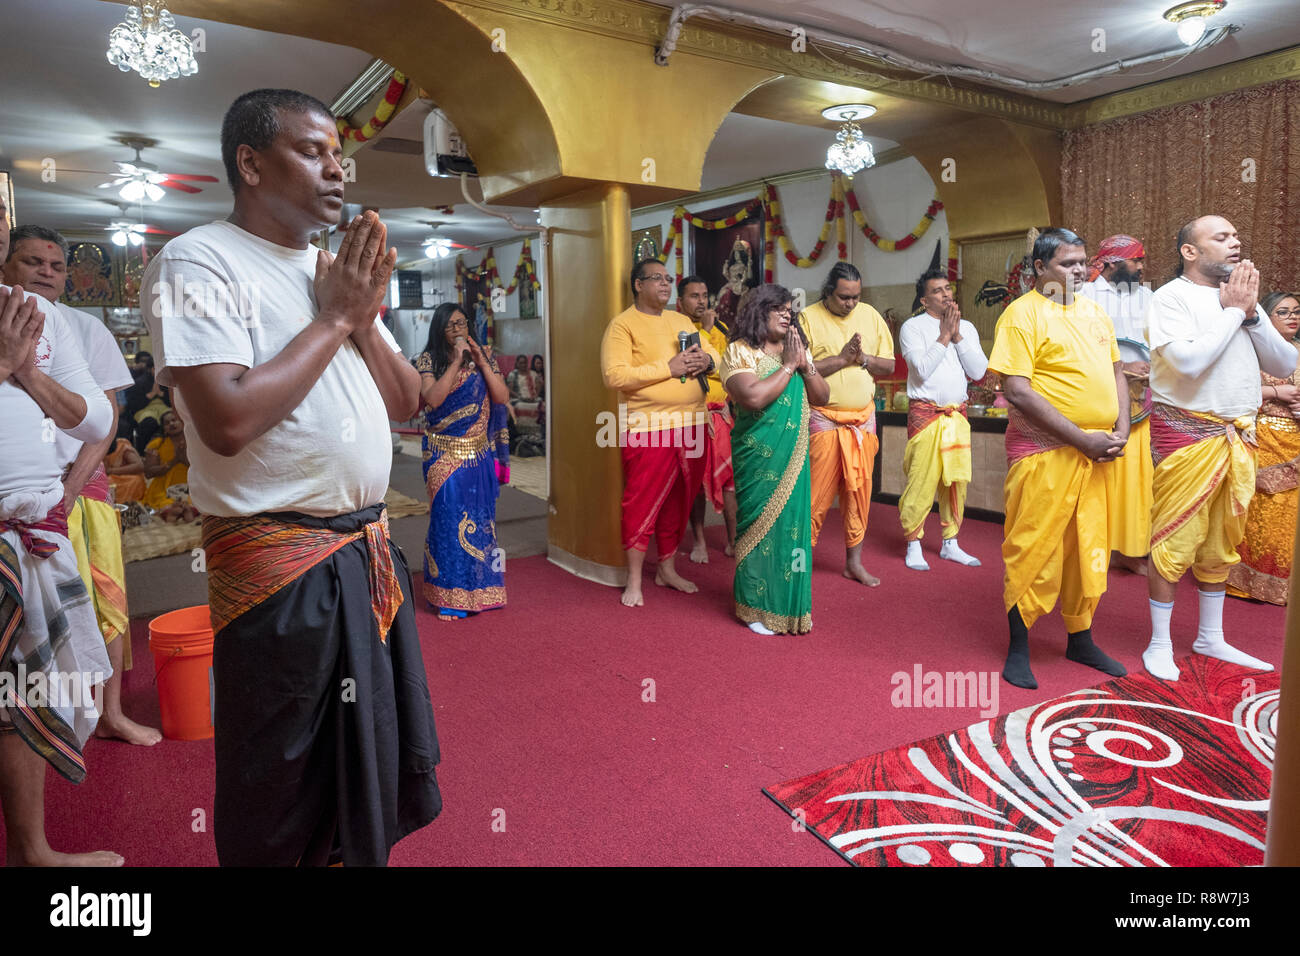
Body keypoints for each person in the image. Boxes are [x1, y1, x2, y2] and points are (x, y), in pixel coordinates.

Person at [141, 88, 441, 866]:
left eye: (340, 153)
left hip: (364, 551)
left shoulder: (330, 269)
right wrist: (335, 319)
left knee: (359, 765)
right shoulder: (198, 259)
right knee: (280, 784)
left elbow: (409, 402)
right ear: (250, 162)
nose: (336, 169)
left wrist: (361, 311)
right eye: (313, 151)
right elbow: (228, 422)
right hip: (281, 567)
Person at [4, 223, 159, 745]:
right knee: (26, 610)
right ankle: (48, 717)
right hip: (17, 495)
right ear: (8, 264)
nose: (46, 273)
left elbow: (106, 418)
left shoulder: (85, 329)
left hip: (80, 482)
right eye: (32, 262)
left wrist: (71, 488)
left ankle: (109, 713)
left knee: (106, 595)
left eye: (56, 265)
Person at [1142, 217, 1299, 681]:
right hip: (1187, 434)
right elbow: (1188, 363)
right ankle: (1159, 643)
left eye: (1236, 235)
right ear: (1190, 252)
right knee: (1174, 540)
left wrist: (1250, 314)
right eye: (1222, 237)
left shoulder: (1243, 302)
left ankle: (1210, 636)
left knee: (1222, 540)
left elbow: (1286, 362)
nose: (1236, 243)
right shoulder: (1169, 297)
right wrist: (1234, 312)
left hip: (1239, 436)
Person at [0, 277, 120, 866]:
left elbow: (97, 422)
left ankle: (30, 853)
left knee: (17, 696)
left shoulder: (34, 312)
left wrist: (26, 373)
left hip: (28, 541)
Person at [988, 228, 1130, 690]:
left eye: (1084, 262)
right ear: (1039, 269)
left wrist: (1121, 428)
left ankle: (1080, 638)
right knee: (1033, 547)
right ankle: (1019, 645)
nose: (1081, 271)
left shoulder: (1094, 313)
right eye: (1069, 263)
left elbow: (1117, 372)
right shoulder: (1021, 315)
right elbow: (1017, 390)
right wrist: (1080, 439)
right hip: (1043, 453)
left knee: (1087, 548)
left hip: (1096, 455)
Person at [600, 258, 719, 607]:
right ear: (639, 285)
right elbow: (615, 376)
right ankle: (634, 579)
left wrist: (706, 363)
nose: (666, 285)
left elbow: (712, 357)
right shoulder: (622, 326)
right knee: (640, 501)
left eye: (669, 279)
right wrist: (667, 368)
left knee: (681, 501)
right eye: (657, 279)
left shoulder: (682, 320)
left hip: (694, 424)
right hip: (649, 427)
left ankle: (667, 568)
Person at [721, 284, 828, 634]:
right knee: (758, 528)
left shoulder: (795, 350)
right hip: (759, 456)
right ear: (757, 311)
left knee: (792, 527)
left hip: (794, 456)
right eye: (777, 308)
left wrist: (804, 365)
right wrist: (789, 367)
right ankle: (752, 608)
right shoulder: (739, 352)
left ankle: (790, 608)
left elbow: (823, 396)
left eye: (789, 309)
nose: (787, 313)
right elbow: (752, 397)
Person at [797, 261, 894, 587]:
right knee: (815, 497)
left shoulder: (870, 315)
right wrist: (840, 358)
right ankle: (800, 564)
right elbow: (800, 368)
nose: (851, 303)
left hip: (863, 419)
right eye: (843, 297)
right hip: (823, 418)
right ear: (828, 292)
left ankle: (854, 563)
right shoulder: (807, 318)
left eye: (855, 297)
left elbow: (889, 365)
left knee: (859, 494)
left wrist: (863, 359)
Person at [414, 302, 510, 620]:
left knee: (481, 522)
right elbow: (433, 398)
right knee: (448, 520)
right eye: (451, 325)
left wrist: (482, 363)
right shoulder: (429, 359)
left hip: (478, 456)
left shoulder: (483, 355)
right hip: (444, 456)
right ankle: (449, 594)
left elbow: (502, 397)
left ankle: (481, 590)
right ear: (440, 330)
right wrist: (456, 362)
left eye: (462, 323)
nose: (458, 330)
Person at [897, 270, 988, 570]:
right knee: (921, 481)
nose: (946, 294)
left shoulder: (969, 328)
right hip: (926, 415)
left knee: (956, 482)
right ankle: (913, 542)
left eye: (948, 288)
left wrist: (958, 334)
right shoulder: (912, 327)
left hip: (957, 416)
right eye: (937, 291)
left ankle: (951, 543)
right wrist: (945, 334)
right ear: (924, 300)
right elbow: (921, 370)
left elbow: (978, 371)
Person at [1078, 234, 1155, 575]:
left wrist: (1154, 367)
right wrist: (1123, 368)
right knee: (1101, 473)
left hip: (1143, 402)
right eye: (1135, 260)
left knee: (1137, 475)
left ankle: (1129, 547)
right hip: (1098, 399)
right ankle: (1095, 544)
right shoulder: (1084, 295)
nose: (1141, 266)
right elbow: (1078, 351)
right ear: (1111, 263)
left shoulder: (1148, 295)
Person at [1228, 292, 1300, 605]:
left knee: (1290, 517)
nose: (1292, 317)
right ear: (1266, 318)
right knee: (1263, 512)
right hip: (1261, 436)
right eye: (1283, 312)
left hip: (1296, 441)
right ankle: (1252, 582)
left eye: (1296, 311)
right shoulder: (1250, 350)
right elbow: (1230, 391)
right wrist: (1276, 392)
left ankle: (1286, 587)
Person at [678, 274, 737, 562]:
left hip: (721, 415)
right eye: (694, 296)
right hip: (693, 417)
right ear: (680, 302)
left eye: (704, 295)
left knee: (730, 481)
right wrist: (706, 330)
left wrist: (728, 400)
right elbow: (689, 372)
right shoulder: (677, 330)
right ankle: (699, 540)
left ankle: (733, 540)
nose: (701, 301)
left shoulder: (722, 329)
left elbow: (728, 367)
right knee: (696, 484)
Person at [142, 409, 196, 522]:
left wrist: (183, 458)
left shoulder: (193, 440)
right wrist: (174, 461)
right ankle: (176, 511)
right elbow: (148, 473)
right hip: (164, 488)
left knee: (196, 499)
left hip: (191, 485)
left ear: (182, 422)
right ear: (164, 429)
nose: (171, 424)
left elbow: (200, 468)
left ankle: (182, 510)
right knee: (164, 501)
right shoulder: (157, 444)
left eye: (174, 420)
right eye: (167, 423)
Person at [505, 353, 543, 440]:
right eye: (521, 363)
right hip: (518, 399)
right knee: (519, 406)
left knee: (542, 406)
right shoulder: (513, 374)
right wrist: (520, 397)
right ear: (517, 364)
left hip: (533, 399)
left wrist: (535, 395)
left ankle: (536, 432)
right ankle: (521, 431)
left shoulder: (533, 373)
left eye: (525, 362)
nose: (523, 365)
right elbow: (509, 390)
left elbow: (539, 385)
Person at [104, 437, 147, 503]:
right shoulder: (99, 446)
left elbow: (139, 466)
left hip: (130, 479)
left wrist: (111, 471)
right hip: (113, 477)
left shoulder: (122, 447)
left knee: (110, 481)